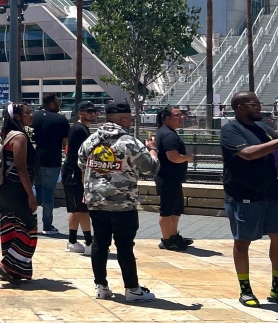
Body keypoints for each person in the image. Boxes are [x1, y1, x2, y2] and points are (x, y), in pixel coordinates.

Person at [220, 91, 278, 308]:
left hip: (270, 194)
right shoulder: (231, 130)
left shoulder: (264, 128)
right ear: (240, 107)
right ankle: (245, 289)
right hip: (244, 195)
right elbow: (247, 153)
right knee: (243, 241)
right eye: (253, 104)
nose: (259, 108)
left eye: (259, 103)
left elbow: (274, 148)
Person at [78, 101, 159, 302]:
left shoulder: (90, 141)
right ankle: (132, 289)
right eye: (130, 119)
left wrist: (87, 191)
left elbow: (81, 165)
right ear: (123, 120)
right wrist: (152, 149)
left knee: (99, 243)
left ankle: (101, 286)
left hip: (96, 202)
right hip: (123, 204)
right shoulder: (129, 142)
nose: (131, 122)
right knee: (124, 245)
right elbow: (150, 167)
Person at [0, 103, 39, 283]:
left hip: (1, 189)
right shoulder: (19, 138)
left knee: (10, 226)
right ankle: (8, 265)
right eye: (27, 113)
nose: (31, 115)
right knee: (29, 228)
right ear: (17, 117)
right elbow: (21, 168)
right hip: (16, 190)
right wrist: (31, 196)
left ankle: (15, 271)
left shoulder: (4, 135)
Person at [155, 106, 195, 251]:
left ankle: (173, 236)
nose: (182, 118)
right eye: (178, 115)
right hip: (167, 178)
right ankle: (167, 240)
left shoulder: (168, 133)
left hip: (174, 178)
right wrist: (188, 158)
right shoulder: (168, 135)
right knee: (167, 209)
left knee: (176, 208)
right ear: (167, 118)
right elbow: (173, 157)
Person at [31, 94, 69, 236]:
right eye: (58, 102)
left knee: (36, 189)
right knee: (49, 193)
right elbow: (66, 143)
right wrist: (68, 159)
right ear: (52, 104)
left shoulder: (33, 117)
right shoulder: (61, 119)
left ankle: (30, 224)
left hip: (35, 161)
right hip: (53, 162)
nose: (59, 105)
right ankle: (47, 226)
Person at [62, 101, 96, 255]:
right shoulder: (79, 129)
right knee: (82, 209)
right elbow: (80, 157)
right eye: (89, 111)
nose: (92, 113)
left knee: (75, 209)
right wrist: (84, 178)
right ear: (80, 113)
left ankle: (72, 241)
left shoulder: (82, 129)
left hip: (74, 173)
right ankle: (89, 242)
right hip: (75, 174)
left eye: (94, 111)